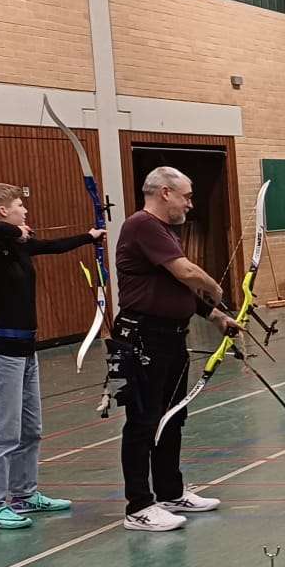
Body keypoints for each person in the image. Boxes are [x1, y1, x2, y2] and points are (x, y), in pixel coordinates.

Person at [0, 183, 101, 530]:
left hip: (26, 350)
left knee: (31, 429)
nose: (26, 210)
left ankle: (24, 494)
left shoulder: (17, 247)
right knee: (1, 432)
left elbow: (52, 246)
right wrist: (17, 231)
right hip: (1, 352)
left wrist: (89, 236)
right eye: (19, 205)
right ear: (3, 211)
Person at [113, 167, 235, 532]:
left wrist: (215, 316)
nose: (190, 203)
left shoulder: (163, 232)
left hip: (169, 338)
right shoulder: (143, 225)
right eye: (186, 195)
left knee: (171, 417)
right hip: (142, 340)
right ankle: (139, 506)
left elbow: (174, 287)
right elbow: (186, 273)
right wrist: (215, 288)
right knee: (143, 421)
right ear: (165, 193)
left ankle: (170, 491)